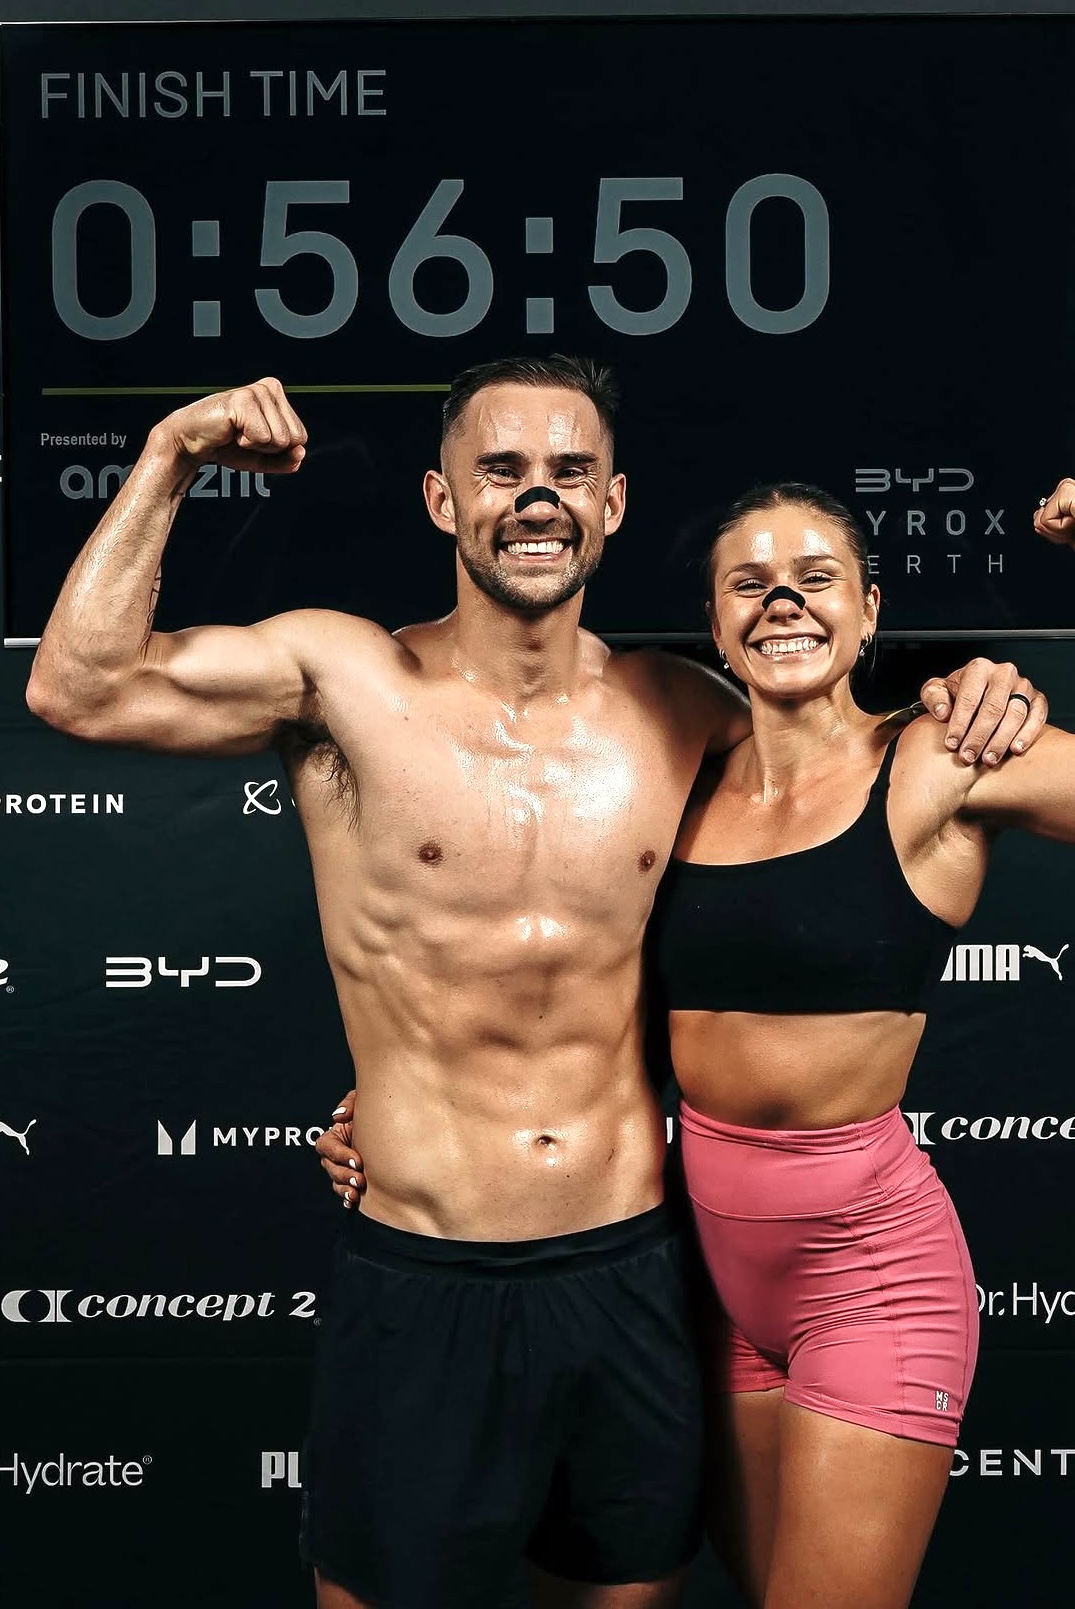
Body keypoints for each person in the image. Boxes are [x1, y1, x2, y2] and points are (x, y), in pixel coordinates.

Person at [26, 360, 1044, 1609]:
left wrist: (975, 687)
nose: (537, 497)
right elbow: (76, 686)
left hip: (634, 1276)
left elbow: (838, 751)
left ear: (611, 503)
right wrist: (172, 453)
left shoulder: (685, 712)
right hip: (424, 1278)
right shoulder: (343, 680)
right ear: (440, 499)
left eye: (569, 471)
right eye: (500, 470)